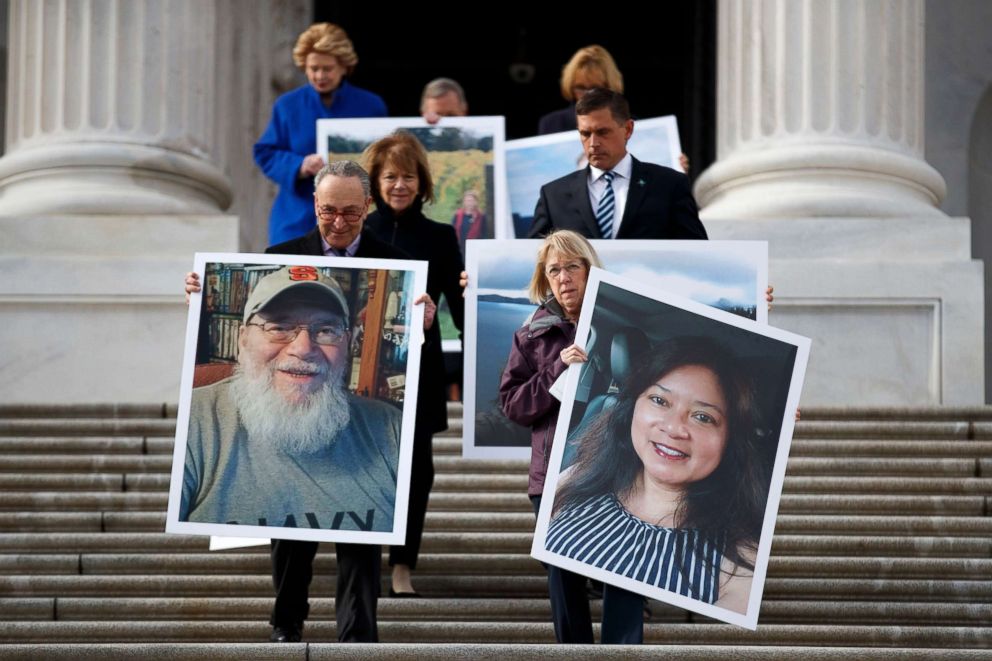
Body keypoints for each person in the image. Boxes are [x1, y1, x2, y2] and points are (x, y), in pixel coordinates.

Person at [185, 160, 437, 644]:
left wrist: (424, 325)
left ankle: (359, 633)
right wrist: (196, 296)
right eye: (327, 211)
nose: (338, 223)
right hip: (279, 423)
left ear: (369, 206)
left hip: (340, 417)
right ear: (314, 206)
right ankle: (286, 620)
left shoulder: (395, 261)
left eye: (350, 212)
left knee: (361, 539)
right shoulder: (280, 253)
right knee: (290, 531)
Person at [498, 230, 646, 644]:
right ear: (545, 279)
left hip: (619, 472)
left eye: (572, 267)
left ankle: (624, 654)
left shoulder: (622, 330)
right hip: (554, 473)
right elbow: (512, 406)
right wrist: (555, 371)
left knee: (625, 569)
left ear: (589, 269)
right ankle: (573, 654)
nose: (564, 278)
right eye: (554, 270)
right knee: (563, 578)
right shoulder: (531, 334)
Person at [547, 336, 766, 614]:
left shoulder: (741, 558)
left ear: (730, 439)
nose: (674, 428)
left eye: (703, 417)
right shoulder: (575, 480)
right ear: (632, 406)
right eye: (659, 400)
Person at [180, 266, 400, 530]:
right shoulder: (190, 421)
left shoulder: (393, 429)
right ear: (243, 340)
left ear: (348, 344)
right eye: (279, 327)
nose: (303, 349)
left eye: (326, 330)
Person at [362, 131, 465, 598]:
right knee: (363, 461)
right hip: (360, 370)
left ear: (421, 182)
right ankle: (361, 556)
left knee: (418, 468)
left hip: (420, 368)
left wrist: (470, 287)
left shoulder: (442, 237)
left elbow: (461, 317)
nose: (398, 185)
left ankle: (402, 565)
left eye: (407, 176)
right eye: (389, 177)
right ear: (375, 182)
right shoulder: (357, 231)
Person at [254, 23, 387, 246]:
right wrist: (299, 164)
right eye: (313, 68)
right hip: (297, 217)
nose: (320, 75)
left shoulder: (371, 106)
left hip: (354, 220)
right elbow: (265, 152)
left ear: (344, 67)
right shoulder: (287, 105)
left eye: (327, 68)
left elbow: (387, 157)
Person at [528, 88, 706, 241]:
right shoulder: (553, 196)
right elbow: (533, 261)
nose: (593, 143)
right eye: (585, 134)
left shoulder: (669, 185)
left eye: (602, 132)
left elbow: (696, 253)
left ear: (628, 129)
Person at [538, 45, 623, 135]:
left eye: (595, 88)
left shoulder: (629, 123)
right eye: (580, 88)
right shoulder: (551, 124)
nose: (587, 96)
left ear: (609, 87)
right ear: (571, 87)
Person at [451, 189, 487, 257]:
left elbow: (484, 233)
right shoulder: (457, 215)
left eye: (471, 201)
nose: (469, 203)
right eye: (467, 201)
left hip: (475, 249)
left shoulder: (481, 216)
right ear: (464, 202)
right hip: (459, 248)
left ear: (476, 202)